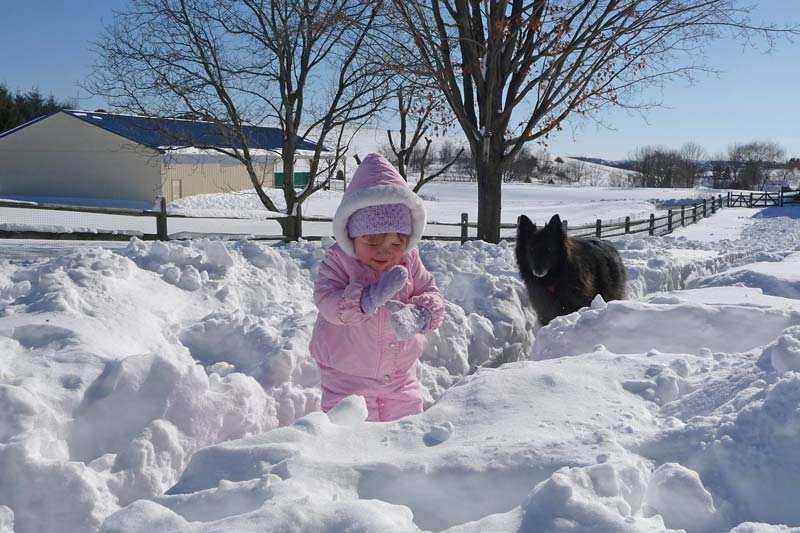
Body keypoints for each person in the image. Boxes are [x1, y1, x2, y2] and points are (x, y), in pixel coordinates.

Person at [310, 153, 444, 422]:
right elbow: (325, 300)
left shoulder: (410, 260)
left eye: (396, 244)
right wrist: (364, 301)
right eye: (373, 242)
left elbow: (431, 292)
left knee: (404, 431)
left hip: (399, 375)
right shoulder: (339, 261)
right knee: (350, 439)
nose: (385, 253)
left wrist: (420, 314)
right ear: (352, 236)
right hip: (346, 376)